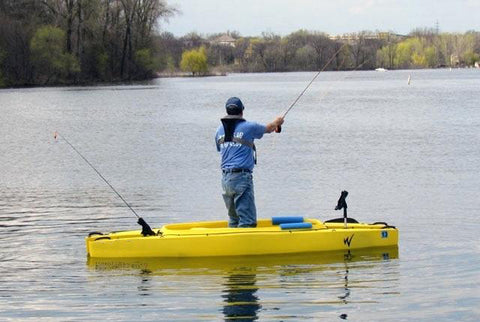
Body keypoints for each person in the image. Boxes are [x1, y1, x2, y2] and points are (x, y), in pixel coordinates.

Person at [215, 97, 284, 228]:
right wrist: (278, 121)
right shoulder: (249, 127)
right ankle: (246, 246)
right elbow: (269, 128)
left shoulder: (218, 130)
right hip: (241, 177)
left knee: (234, 219)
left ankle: (232, 244)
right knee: (248, 221)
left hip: (225, 180)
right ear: (241, 111)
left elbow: (220, 149)